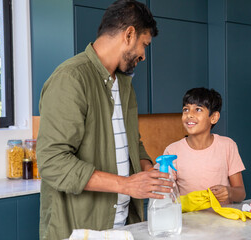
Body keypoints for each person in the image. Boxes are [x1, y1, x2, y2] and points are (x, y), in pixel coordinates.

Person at [36, 1, 173, 239]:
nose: (143, 55)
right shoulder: (71, 79)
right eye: (144, 45)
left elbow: (133, 141)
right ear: (129, 34)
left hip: (124, 226)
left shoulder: (124, 83)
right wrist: (126, 185)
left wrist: (149, 173)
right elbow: (52, 162)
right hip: (80, 230)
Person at [163, 87, 246, 205]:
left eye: (198, 109)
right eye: (186, 109)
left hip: (223, 219)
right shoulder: (172, 151)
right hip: (188, 221)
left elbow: (241, 193)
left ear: (214, 117)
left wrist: (229, 192)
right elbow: (168, 195)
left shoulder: (228, 146)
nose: (189, 115)